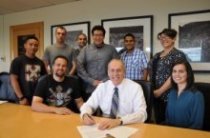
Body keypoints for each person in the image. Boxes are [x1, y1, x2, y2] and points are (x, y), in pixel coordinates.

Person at [80, 59, 147, 130]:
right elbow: (88, 105)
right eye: (112, 70)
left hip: (127, 125)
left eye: (119, 70)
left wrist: (119, 121)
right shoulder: (102, 87)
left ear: (124, 72)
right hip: (105, 125)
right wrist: (85, 114)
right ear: (108, 72)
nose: (115, 74)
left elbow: (142, 114)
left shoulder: (135, 87)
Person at [148, 28, 187, 123]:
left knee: (170, 122)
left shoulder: (178, 55)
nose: (164, 39)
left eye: (167, 37)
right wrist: (152, 90)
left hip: (170, 95)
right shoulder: (157, 55)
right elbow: (151, 71)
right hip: (155, 94)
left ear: (174, 39)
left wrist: (160, 91)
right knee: (159, 120)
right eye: (161, 37)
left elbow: (176, 76)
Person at [77, 25, 119, 101]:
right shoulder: (85, 49)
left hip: (107, 86)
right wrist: (91, 80)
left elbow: (117, 65)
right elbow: (79, 65)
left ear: (104, 36)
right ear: (92, 36)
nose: (98, 37)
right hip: (89, 88)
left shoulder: (111, 49)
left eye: (100, 35)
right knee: (90, 111)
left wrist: (105, 80)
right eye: (96, 35)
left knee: (106, 111)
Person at [165, 60, 204, 129]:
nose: (177, 74)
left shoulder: (196, 96)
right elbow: (167, 119)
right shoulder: (172, 93)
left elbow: (196, 125)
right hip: (170, 133)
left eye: (181, 71)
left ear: (188, 74)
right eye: (174, 71)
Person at [10, 36, 47, 105]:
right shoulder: (17, 61)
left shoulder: (40, 63)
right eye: (31, 44)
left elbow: (44, 81)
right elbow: (13, 80)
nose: (33, 47)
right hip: (22, 99)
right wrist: (21, 97)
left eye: (36, 45)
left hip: (37, 99)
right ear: (25, 46)